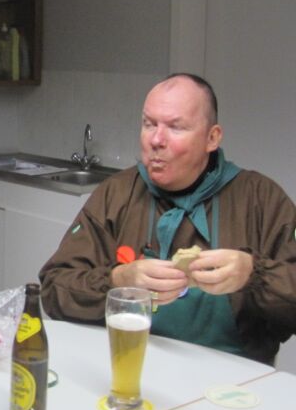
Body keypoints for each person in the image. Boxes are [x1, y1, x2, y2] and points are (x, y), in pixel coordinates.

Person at [39, 73, 296, 364]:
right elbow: (54, 290)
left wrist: (255, 274)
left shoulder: (260, 199)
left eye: (175, 127)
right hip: (131, 365)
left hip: (234, 377)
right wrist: (118, 281)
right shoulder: (117, 194)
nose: (156, 140)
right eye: (149, 124)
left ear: (212, 138)